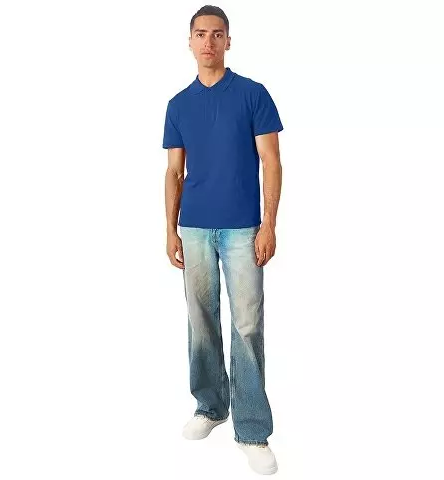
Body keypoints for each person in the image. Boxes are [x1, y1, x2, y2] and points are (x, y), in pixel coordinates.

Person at [162, 5, 283, 476]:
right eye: (200, 34)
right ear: (190, 42)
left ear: (228, 41)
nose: (208, 42)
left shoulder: (253, 95)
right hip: (194, 227)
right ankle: (210, 406)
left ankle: (252, 430)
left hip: (242, 228)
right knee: (201, 320)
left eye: (217, 34)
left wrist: (269, 224)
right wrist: (169, 228)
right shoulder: (178, 105)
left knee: (247, 325)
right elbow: (174, 171)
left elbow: (271, 161)